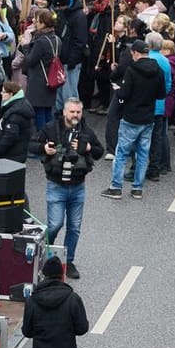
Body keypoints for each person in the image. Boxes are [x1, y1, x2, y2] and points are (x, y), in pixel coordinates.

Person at [40, 98, 104, 279]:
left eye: (78, 112)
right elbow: (32, 145)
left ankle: (68, 262)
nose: (75, 115)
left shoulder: (86, 131)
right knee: (55, 224)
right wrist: (44, 148)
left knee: (74, 227)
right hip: (56, 186)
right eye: (72, 112)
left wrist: (89, 147)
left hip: (78, 187)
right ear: (64, 112)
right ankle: (45, 253)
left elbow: (100, 152)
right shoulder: (51, 128)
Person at [102, 34, 166, 200]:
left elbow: (123, 94)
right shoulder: (158, 70)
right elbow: (161, 94)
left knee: (122, 152)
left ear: (137, 53)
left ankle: (116, 187)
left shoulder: (132, 70)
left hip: (131, 117)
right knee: (143, 154)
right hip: (148, 118)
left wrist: (118, 90)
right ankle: (137, 188)